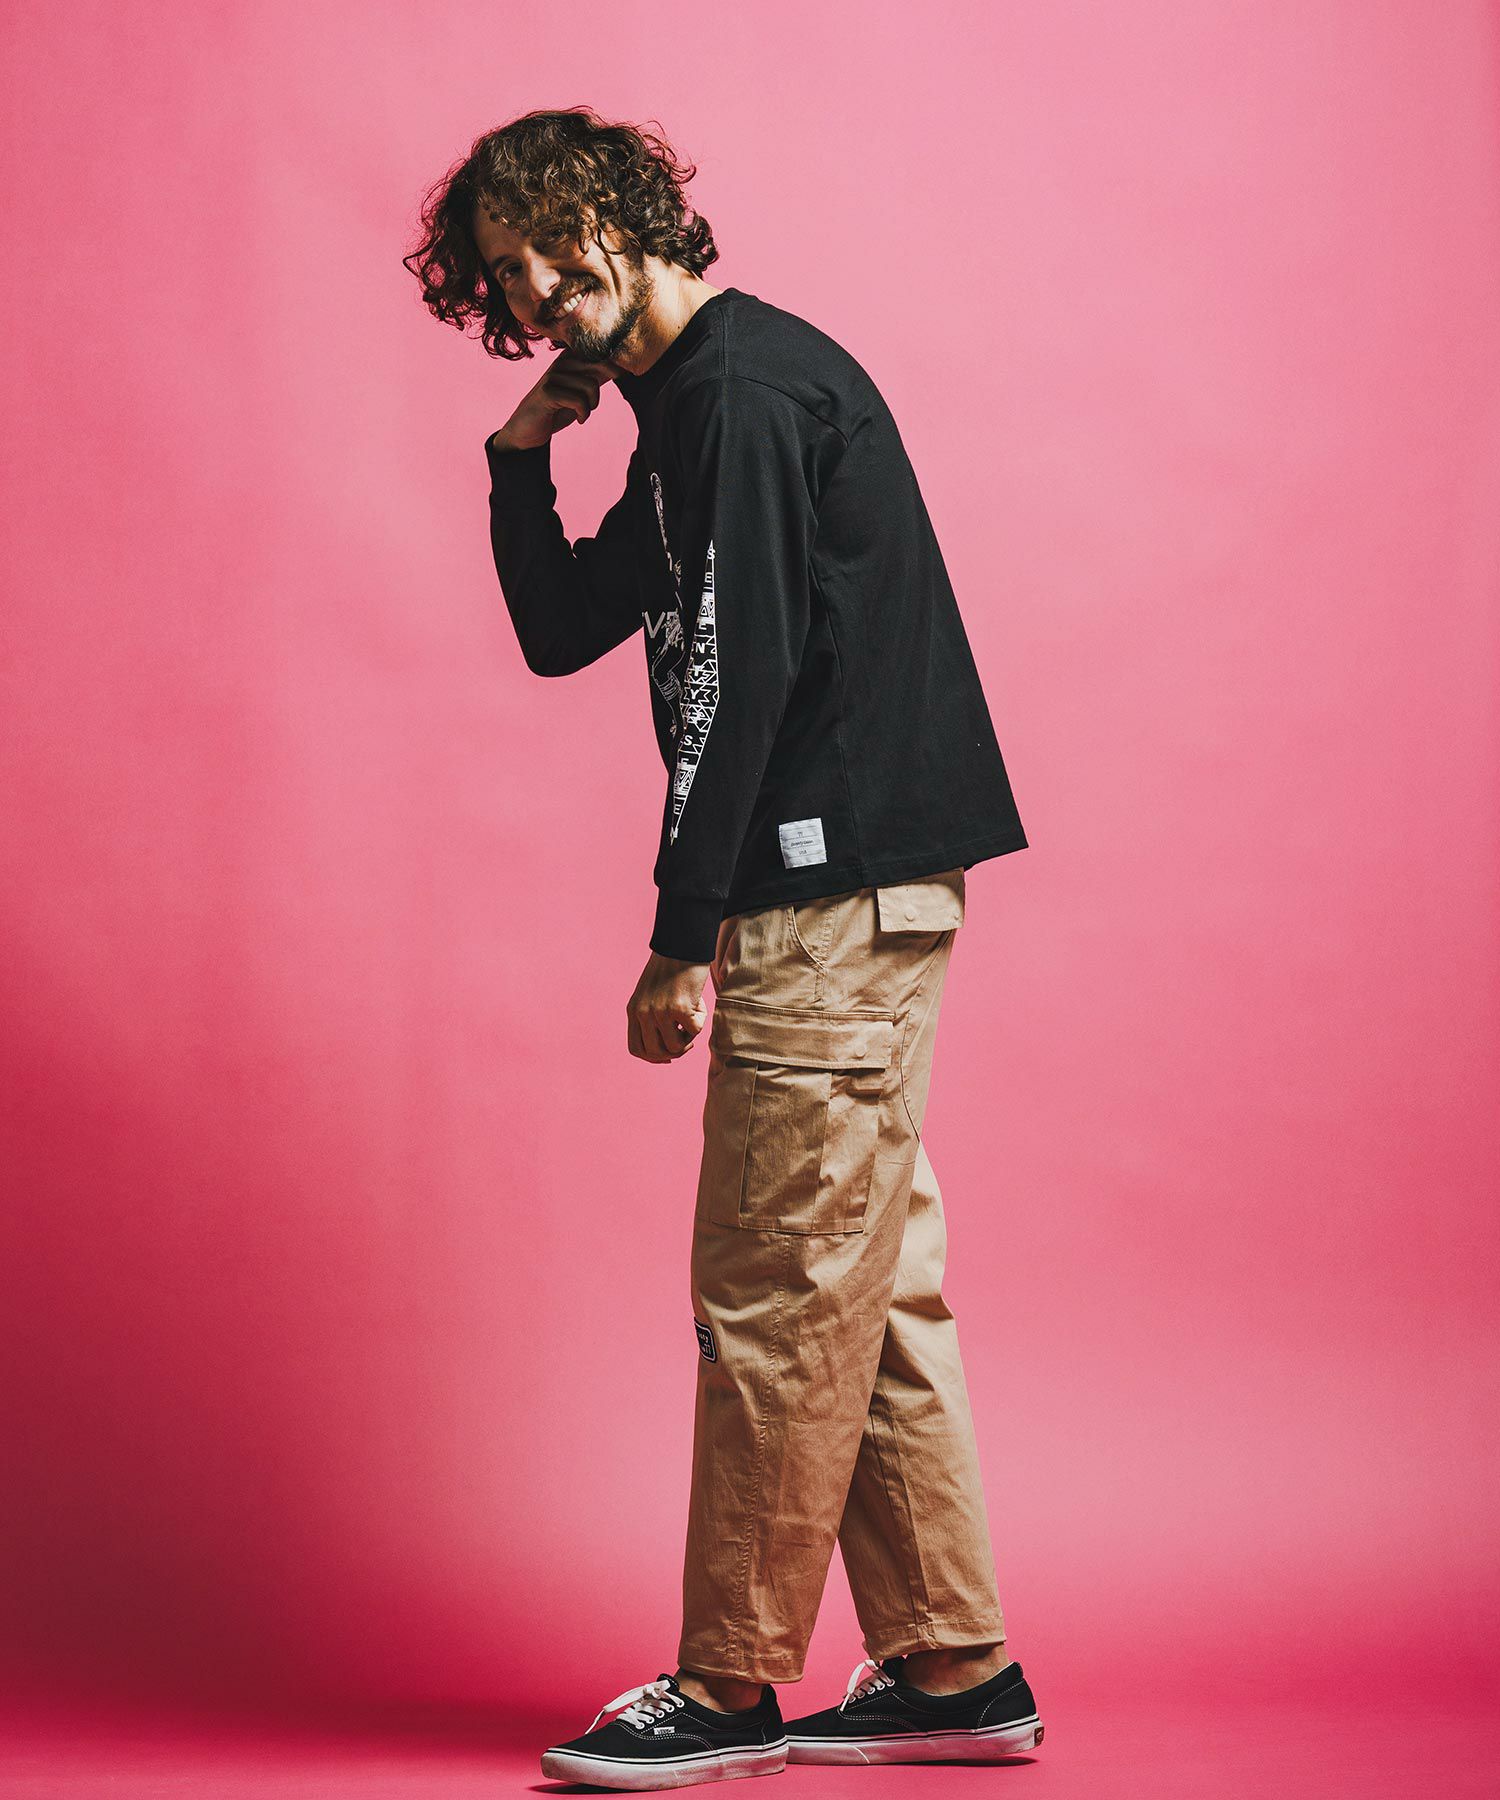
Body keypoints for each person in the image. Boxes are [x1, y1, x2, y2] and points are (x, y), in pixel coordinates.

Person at [405, 105, 1043, 1789]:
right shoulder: (683, 414)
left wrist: (678, 938)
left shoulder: (745, 400)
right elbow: (566, 629)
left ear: (624, 214)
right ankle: (954, 1668)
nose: (537, 288)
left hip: (826, 897)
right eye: (504, 275)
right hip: (851, 895)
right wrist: (519, 460)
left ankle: (730, 1686)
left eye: (555, 242)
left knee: (771, 1293)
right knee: (861, 1289)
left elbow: (737, 684)